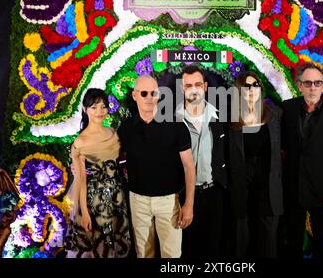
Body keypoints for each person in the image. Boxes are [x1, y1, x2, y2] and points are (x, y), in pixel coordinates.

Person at [117, 75, 196, 258]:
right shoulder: (126, 128)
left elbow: (189, 166)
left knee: (172, 255)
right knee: (143, 254)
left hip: (169, 202)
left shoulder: (176, 125)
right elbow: (110, 154)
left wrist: (189, 204)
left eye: (153, 93)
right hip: (138, 201)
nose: (149, 98)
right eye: (144, 93)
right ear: (135, 95)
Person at [280, 63, 323, 258]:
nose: (313, 87)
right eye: (308, 83)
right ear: (299, 85)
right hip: (293, 188)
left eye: (317, 83)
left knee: (321, 244)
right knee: (292, 242)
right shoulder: (288, 109)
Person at [65, 88, 131, 258]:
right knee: (103, 247)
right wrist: (85, 212)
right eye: (94, 107)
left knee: (119, 244)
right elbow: (80, 180)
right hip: (95, 202)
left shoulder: (114, 134)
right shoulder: (80, 142)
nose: (99, 112)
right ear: (85, 109)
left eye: (103, 107)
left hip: (118, 197)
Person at [228, 71, 283, 258]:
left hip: (268, 189)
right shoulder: (230, 119)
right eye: (246, 86)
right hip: (241, 189)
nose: (251, 90)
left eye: (255, 85)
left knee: (267, 244)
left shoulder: (275, 116)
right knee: (240, 243)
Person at [175, 65, 228, 258]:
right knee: (186, 250)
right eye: (188, 85)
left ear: (205, 86)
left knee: (213, 249)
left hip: (214, 192)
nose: (194, 89)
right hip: (182, 194)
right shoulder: (173, 120)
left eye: (198, 84)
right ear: (182, 88)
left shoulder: (219, 117)